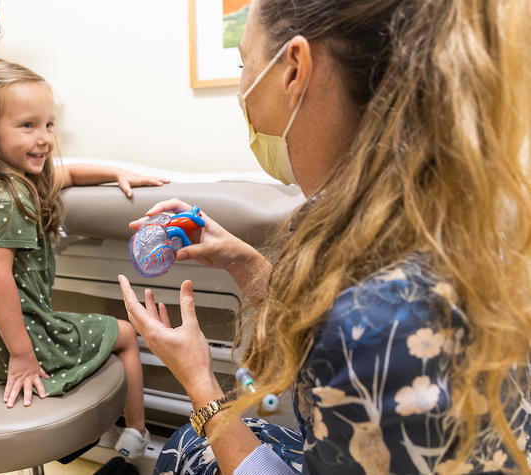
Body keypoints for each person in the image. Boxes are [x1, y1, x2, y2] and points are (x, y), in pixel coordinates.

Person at [118, 0, 531, 473]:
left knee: (191, 447)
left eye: (243, 63)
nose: (242, 89)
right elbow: (331, 321)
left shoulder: (378, 324)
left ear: (294, 69)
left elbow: (353, 328)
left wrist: (199, 383)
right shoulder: (456, 216)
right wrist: (246, 264)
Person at [0, 57, 168, 458]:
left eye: (49, 124)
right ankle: (136, 435)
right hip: (23, 349)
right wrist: (23, 357)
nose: (45, 137)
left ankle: (100, 432)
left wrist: (117, 172)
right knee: (128, 334)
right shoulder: (8, 202)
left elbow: (66, 174)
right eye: (27, 126)